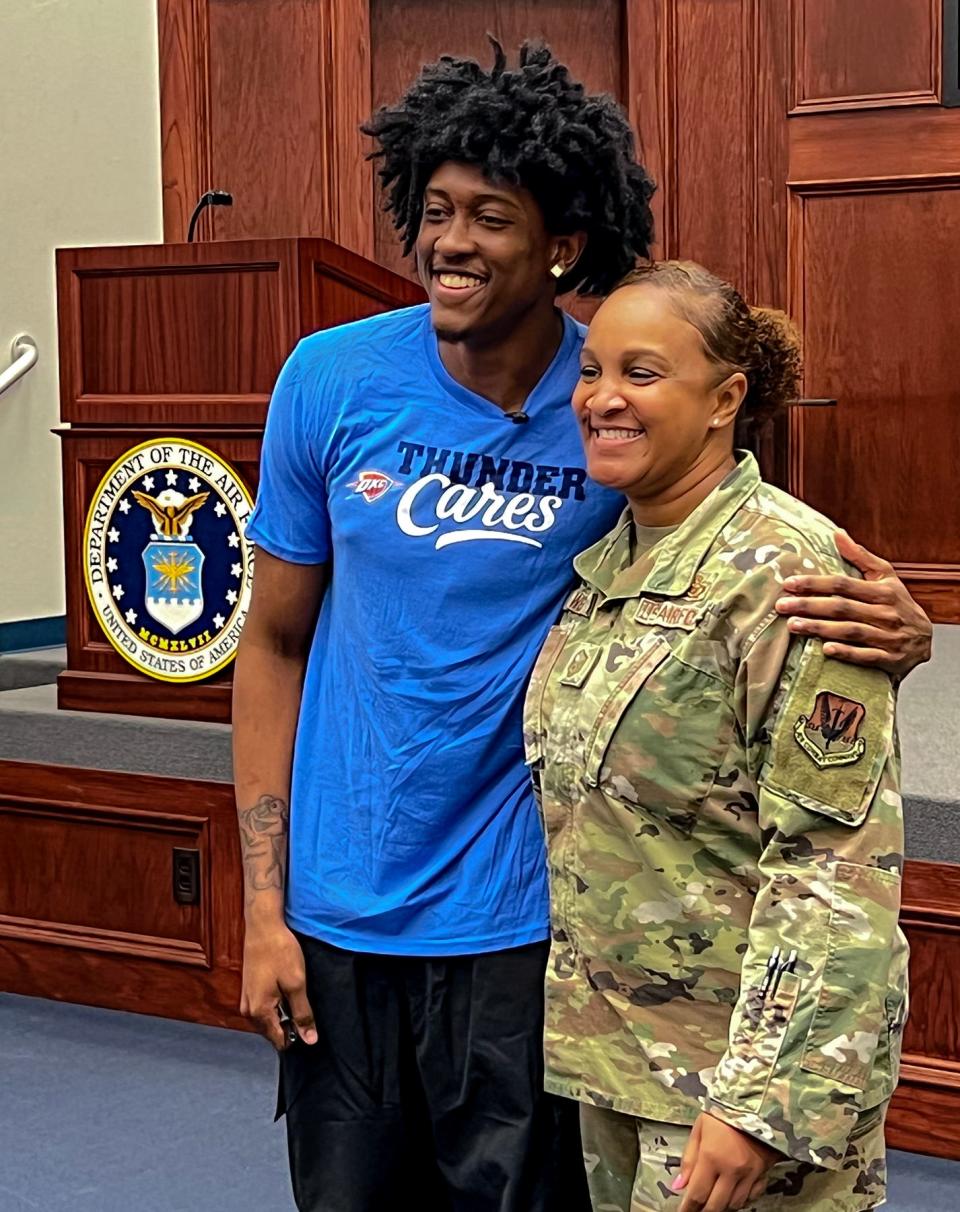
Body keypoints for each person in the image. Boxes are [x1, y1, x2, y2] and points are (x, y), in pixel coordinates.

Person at [232, 41, 929, 1212]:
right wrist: (262, 908)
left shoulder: (613, 412)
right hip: (339, 908)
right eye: (435, 210)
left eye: (490, 216)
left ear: (562, 242)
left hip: (526, 927)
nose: (450, 243)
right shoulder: (331, 378)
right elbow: (274, 640)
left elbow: (744, 549)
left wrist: (898, 626)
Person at [524, 260, 910, 1212]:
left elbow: (832, 869)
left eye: (642, 374)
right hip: (624, 1069)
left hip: (737, 1098)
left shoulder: (786, 573)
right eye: (592, 370)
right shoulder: (613, 557)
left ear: (725, 399)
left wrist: (758, 1106)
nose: (603, 398)